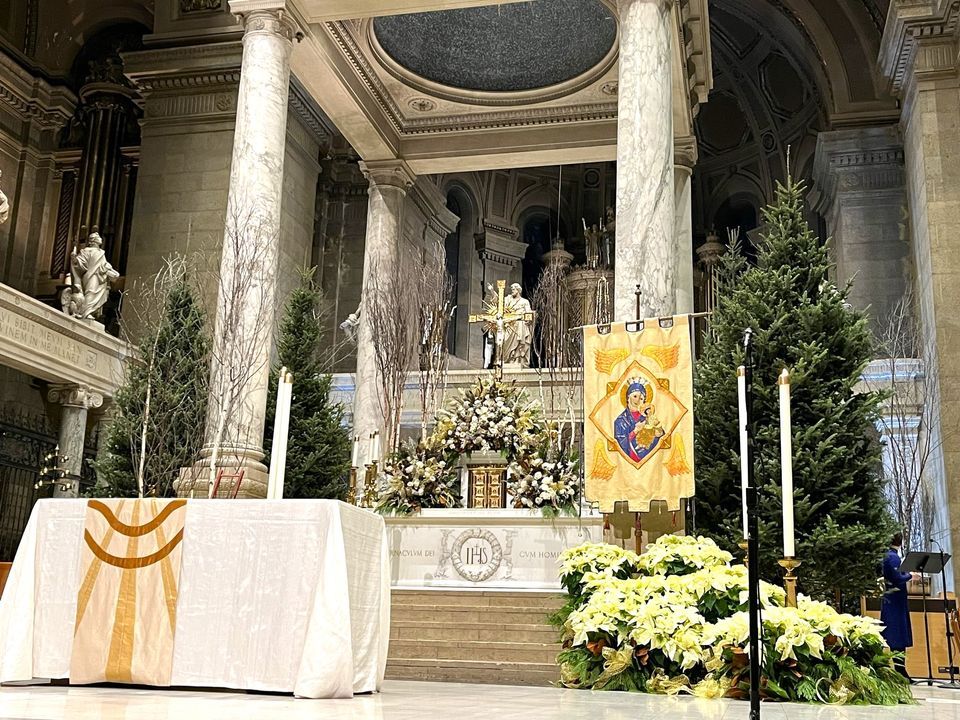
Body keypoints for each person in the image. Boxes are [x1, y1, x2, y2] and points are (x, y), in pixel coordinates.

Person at [881, 532, 918, 680]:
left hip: (892, 600)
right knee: (898, 636)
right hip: (896, 602)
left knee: (896, 636)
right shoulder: (893, 557)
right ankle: (900, 672)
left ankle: (901, 671)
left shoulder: (888, 556)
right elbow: (897, 578)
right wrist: (911, 576)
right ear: (901, 542)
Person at [613, 378, 665, 463]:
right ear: (627, 398)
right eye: (635, 396)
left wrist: (658, 431)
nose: (637, 400)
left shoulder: (648, 417)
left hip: (650, 461)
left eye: (641, 398)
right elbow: (619, 444)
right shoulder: (620, 420)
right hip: (627, 462)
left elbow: (662, 439)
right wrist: (635, 431)